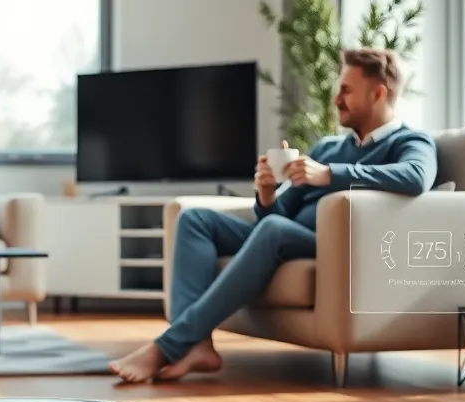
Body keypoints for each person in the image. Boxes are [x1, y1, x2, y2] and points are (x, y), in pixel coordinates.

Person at [109, 48, 439, 383]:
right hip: (286, 234)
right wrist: (266, 196)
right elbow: (280, 213)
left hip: (333, 246)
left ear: (378, 93)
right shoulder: (328, 147)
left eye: (346, 90)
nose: (336, 99)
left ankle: (165, 348)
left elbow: (415, 177)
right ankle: (198, 347)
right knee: (195, 220)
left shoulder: (409, 141)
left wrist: (328, 175)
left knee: (275, 230)